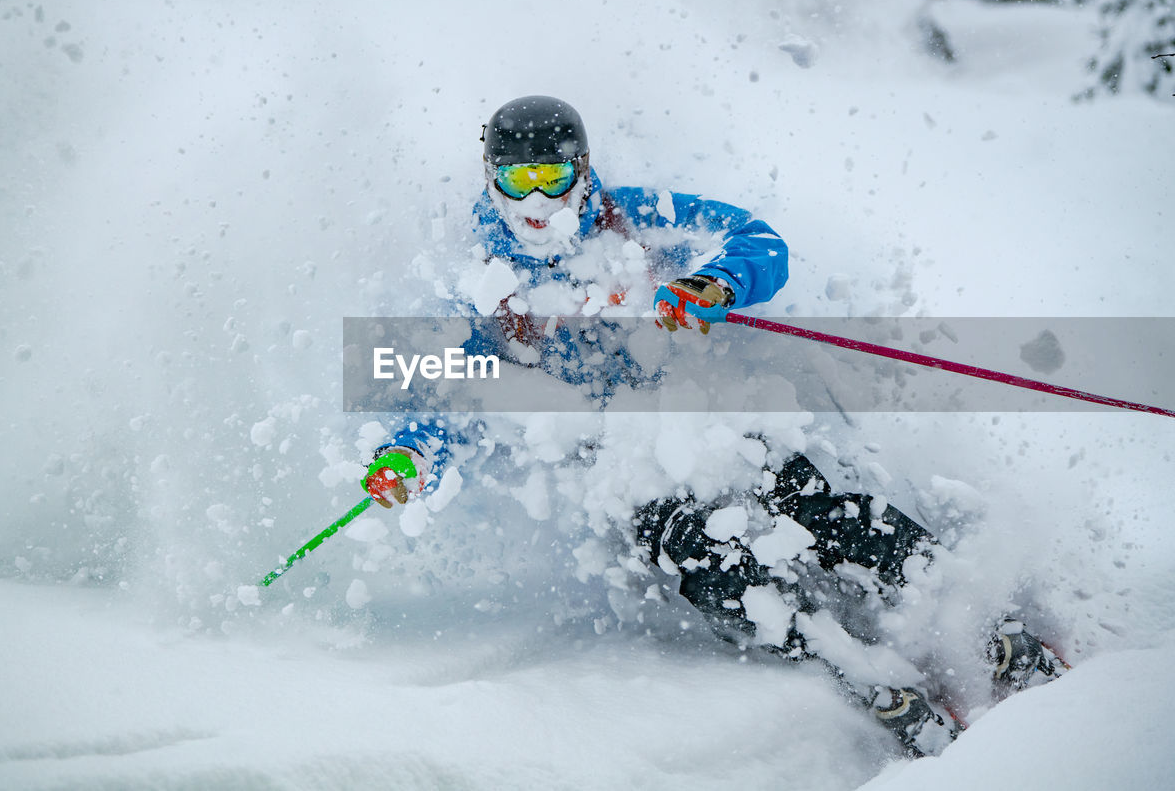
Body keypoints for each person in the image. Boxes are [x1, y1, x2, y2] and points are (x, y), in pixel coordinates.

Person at [357, 95, 1066, 756]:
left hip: (708, 413)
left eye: (552, 175)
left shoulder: (635, 216)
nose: (538, 201)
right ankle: (846, 663)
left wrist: (715, 283)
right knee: (693, 550)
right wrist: (407, 459)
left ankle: (981, 619)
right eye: (518, 180)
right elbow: (450, 397)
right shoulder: (486, 280)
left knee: (814, 502)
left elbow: (757, 238)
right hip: (624, 467)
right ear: (491, 178)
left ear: (582, 169)